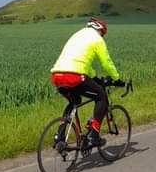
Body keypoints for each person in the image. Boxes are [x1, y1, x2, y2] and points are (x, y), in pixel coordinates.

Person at [50, 18, 124, 148]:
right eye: (103, 33)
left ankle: (60, 136)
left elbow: (84, 63)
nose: (103, 36)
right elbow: (106, 63)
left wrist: (95, 79)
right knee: (101, 96)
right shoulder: (97, 39)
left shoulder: (77, 35)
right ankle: (93, 135)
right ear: (100, 30)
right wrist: (116, 78)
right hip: (74, 76)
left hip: (57, 75)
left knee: (74, 102)